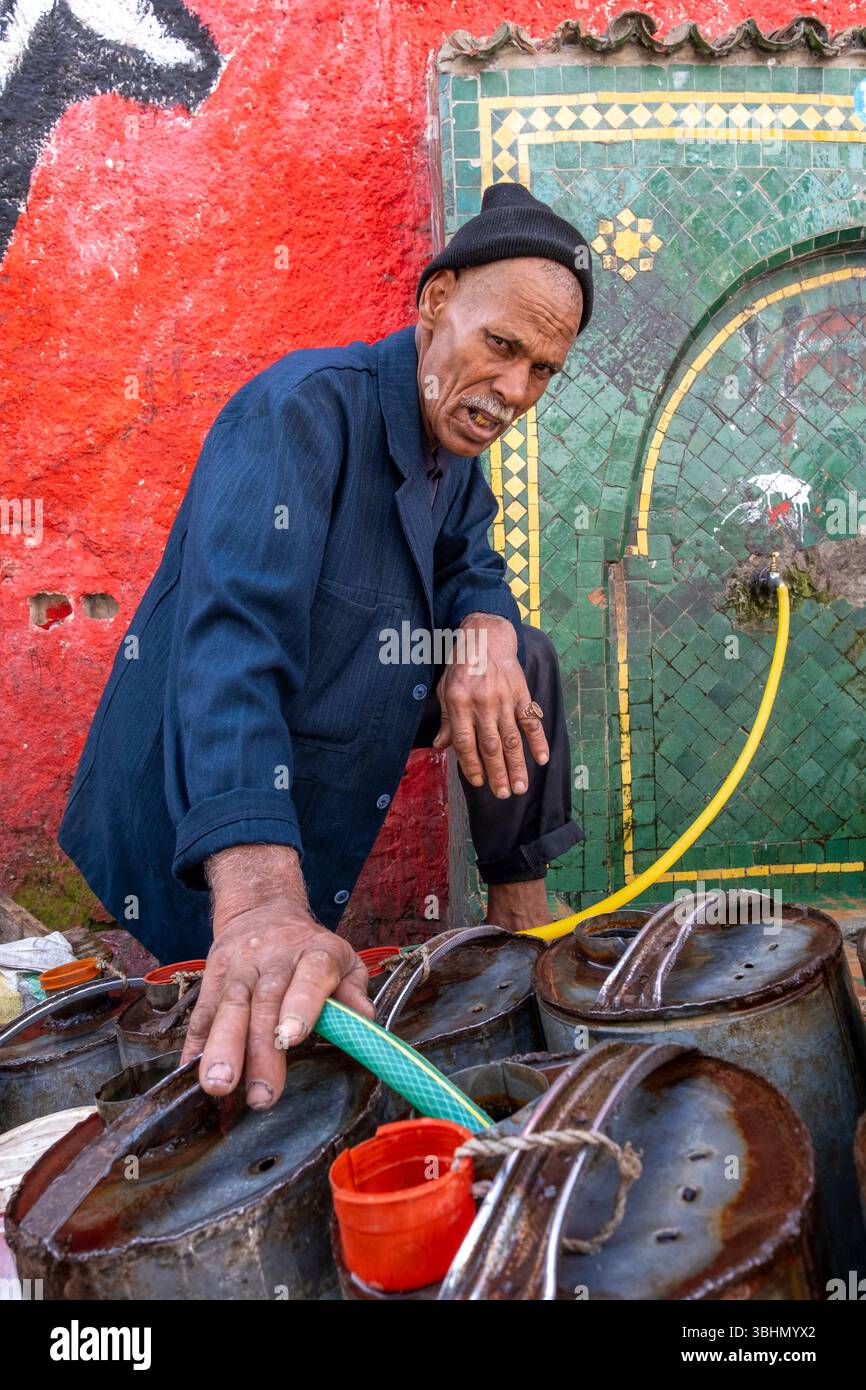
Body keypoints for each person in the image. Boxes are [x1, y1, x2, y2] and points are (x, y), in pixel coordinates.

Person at [57, 182, 594, 1112]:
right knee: (214, 1063)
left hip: (333, 741)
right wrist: (262, 899)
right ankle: (214, 959)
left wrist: (483, 630)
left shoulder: (454, 453)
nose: (515, 389)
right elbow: (229, 653)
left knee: (525, 662)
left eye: (543, 369)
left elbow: (477, 563)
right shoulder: (299, 413)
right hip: (197, 805)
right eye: (502, 346)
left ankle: (521, 919)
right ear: (436, 303)